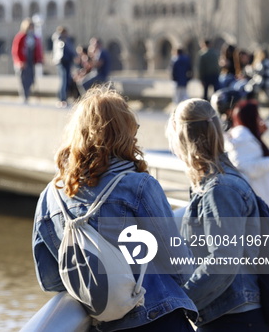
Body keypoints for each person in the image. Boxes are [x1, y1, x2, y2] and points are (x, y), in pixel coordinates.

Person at [33, 87, 197, 332]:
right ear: (124, 132)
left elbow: (49, 279)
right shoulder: (138, 185)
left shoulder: (50, 197)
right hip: (156, 317)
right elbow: (180, 265)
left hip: (103, 325)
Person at [167, 98, 269, 332]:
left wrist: (179, 299)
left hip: (233, 318)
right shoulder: (217, 184)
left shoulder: (219, 189)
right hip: (233, 314)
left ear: (182, 138)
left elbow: (223, 260)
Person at [225, 100, 269, 223]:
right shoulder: (242, 137)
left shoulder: (246, 134)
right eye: (257, 115)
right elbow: (243, 167)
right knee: (268, 241)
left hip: (264, 198)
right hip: (260, 200)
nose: (260, 119)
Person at [11, 18, 43, 103]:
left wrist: (39, 59)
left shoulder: (34, 37)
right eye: (30, 27)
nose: (31, 29)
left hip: (31, 61)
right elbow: (16, 50)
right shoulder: (20, 37)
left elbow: (37, 49)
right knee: (23, 79)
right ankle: (24, 96)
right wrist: (20, 61)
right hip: (22, 61)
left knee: (31, 78)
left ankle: (28, 94)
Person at [51, 26, 76, 107]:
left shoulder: (56, 40)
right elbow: (68, 50)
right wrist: (74, 56)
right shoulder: (61, 40)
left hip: (62, 62)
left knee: (63, 80)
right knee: (64, 81)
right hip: (64, 62)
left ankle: (62, 98)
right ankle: (62, 99)